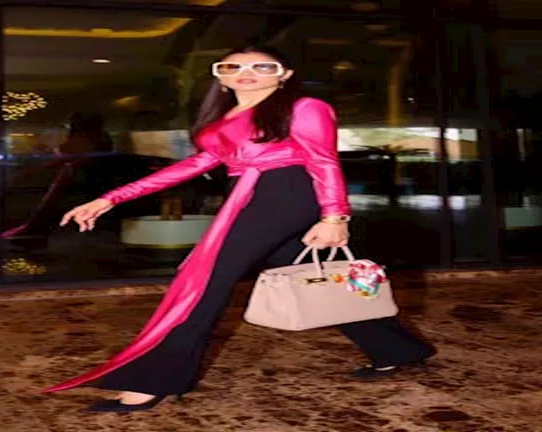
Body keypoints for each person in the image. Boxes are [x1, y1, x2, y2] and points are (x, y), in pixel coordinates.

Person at [43, 45, 436, 413]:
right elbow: (194, 165)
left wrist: (335, 217)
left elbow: (324, 161)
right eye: (233, 66)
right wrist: (111, 198)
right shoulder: (222, 120)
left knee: (206, 281)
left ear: (284, 75)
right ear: (221, 76)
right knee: (306, 272)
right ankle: (396, 349)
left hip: (284, 193)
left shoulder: (304, 107)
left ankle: (154, 380)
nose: (246, 73)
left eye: (262, 66)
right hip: (249, 196)